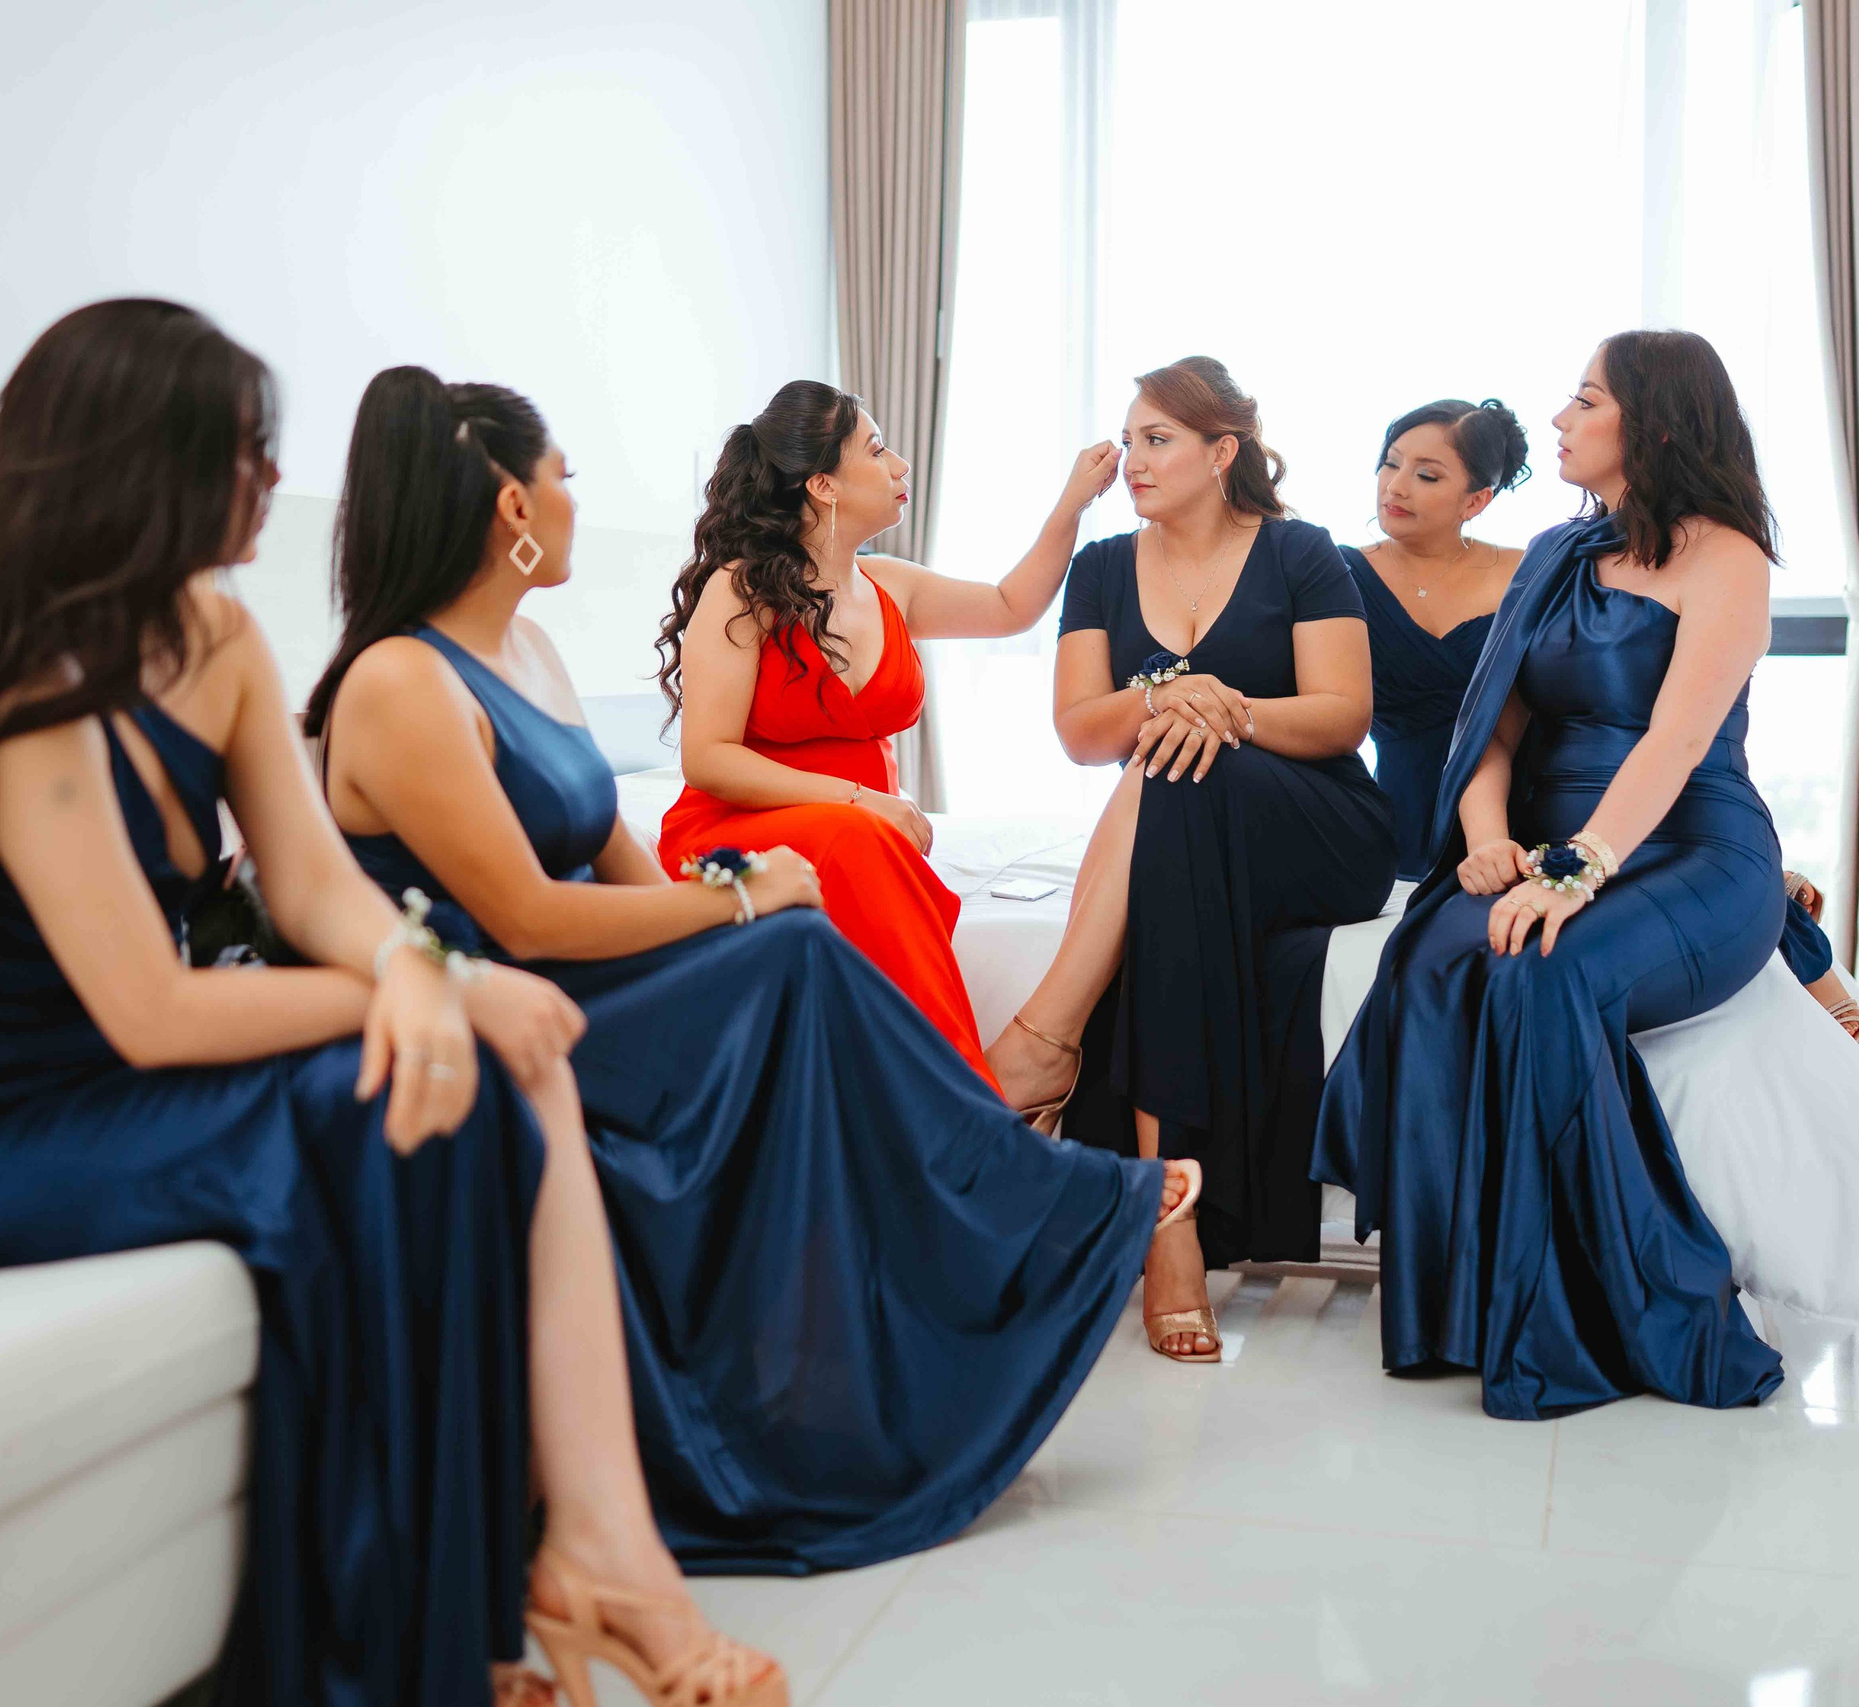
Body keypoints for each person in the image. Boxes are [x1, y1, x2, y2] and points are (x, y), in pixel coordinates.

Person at [0, 302, 778, 1707]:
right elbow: (149, 1008)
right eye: (242, 453)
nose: (274, 482)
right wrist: (422, 993)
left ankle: (567, 1564)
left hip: (117, 1078)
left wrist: (420, 969)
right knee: (425, 1083)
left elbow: (320, 888)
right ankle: (434, 1627)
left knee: (478, 1074)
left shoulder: (215, 635)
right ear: (136, 465)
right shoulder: (27, 686)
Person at [307, 366, 1198, 1573]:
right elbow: (525, 913)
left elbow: (615, 864)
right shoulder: (402, 682)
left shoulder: (529, 653)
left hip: (597, 957)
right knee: (795, 935)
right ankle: (1012, 1187)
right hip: (519, 990)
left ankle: (986, 1202)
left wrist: (732, 910)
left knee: (795, 944)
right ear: (510, 509)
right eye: (563, 476)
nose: (577, 495)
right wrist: (739, 888)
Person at [1312, 330, 1797, 1422]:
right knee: (1433, 960)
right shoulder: (1553, 554)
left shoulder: (1728, 558)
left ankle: (1607, 1307)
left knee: (1540, 971)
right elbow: (1487, 728)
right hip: (1544, 843)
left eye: (1584, 402)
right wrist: (1486, 840)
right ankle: (1452, 1312)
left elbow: (1674, 747)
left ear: (1656, 425)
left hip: (1691, 850)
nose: (1562, 420)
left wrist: (1574, 873)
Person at [987, 356, 1398, 1365]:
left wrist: (1229, 707)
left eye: (1157, 439)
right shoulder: (1098, 569)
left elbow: (1345, 716)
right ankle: (1168, 1219)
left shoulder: (1303, 553)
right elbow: (1083, 732)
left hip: (1318, 823)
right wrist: (1164, 700)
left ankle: (1048, 1035)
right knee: (1169, 780)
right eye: (1127, 439)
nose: (1132, 459)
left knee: (1175, 770)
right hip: (1183, 820)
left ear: (1223, 454)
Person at [1346, 396, 1859, 1037]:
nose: (1396, 486)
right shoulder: (1354, 571)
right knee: (1443, 958)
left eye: (1427, 474)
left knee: (1627, 846)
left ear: (1476, 499)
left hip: (1553, 797)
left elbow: (1666, 731)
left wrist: (1575, 867)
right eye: (1389, 464)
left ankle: (1769, 905)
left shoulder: (1538, 566)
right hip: (1448, 798)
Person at [652, 381, 1124, 1090]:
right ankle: (973, 1103)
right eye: (877, 450)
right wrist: (861, 802)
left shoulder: (889, 585)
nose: (901, 465)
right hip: (741, 829)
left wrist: (1071, 503)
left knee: (871, 847)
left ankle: (954, 1106)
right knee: (866, 843)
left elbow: (1011, 606)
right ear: (822, 484)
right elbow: (709, 759)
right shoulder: (741, 588)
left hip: (861, 839)